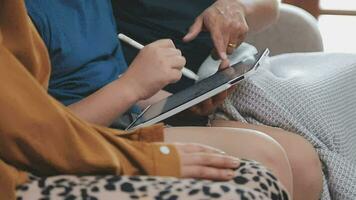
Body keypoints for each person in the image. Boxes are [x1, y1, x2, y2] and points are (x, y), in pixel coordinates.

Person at [24, 0, 321, 200]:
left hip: (130, 116)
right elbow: (38, 138)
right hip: (92, 136)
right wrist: (132, 85)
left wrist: (182, 100)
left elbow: (105, 75)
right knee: (265, 155)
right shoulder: (23, 18)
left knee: (301, 157)